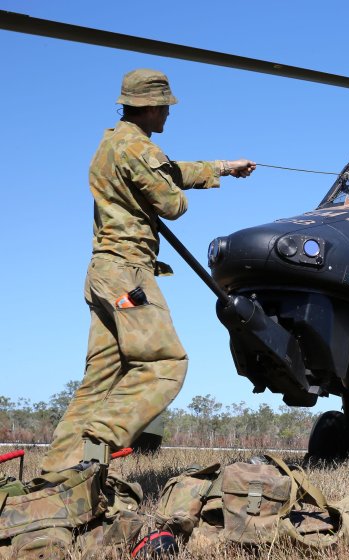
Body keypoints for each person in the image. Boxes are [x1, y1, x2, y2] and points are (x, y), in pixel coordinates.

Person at [40, 69, 257, 473]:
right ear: (150, 107)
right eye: (165, 109)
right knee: (165, 363)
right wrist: (177, 191)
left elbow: (170, 170)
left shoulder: (111, 143)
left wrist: (225, 167)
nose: (168, 116)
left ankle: (57, 474)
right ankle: (98, 443)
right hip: (129, 278)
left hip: (103, 278)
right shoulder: (137, 149)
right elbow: (171, 202)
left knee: (101, 378)